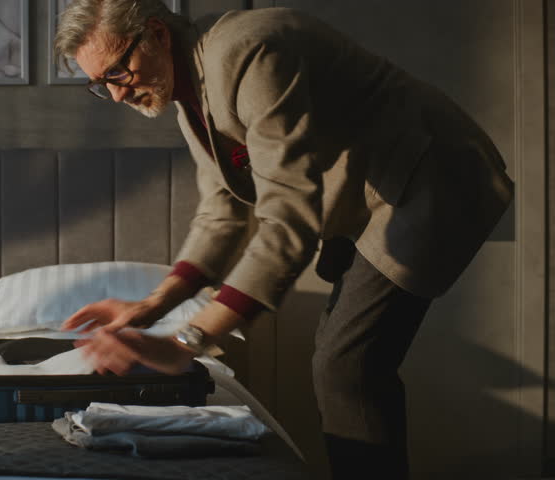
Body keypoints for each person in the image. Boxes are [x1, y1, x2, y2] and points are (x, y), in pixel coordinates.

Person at [54, 1, 514, 478]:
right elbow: (221, 214)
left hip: (426, 176)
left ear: (156, 34)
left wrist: (188, 341)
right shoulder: (189, 91)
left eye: (117, 72)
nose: (114, 95)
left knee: (346, 365)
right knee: (344, 363)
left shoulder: (249, 51)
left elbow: (289, 212)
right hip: (368, 195)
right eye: (99, 84)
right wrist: (148, 308)